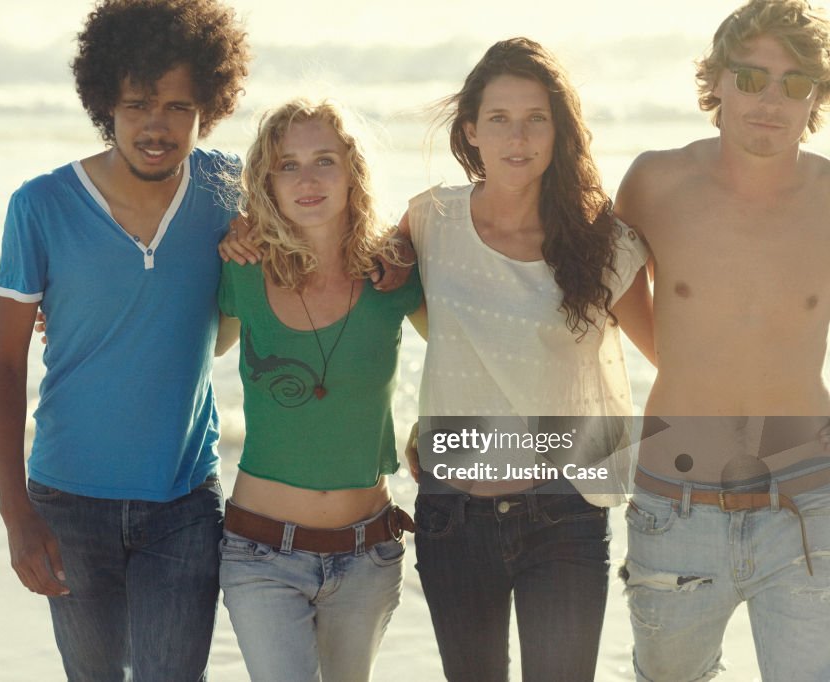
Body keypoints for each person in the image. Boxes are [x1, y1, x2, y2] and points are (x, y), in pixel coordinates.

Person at [0, 0, 249, 679]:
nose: (156, 127)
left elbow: (329, 220)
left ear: (207, 109)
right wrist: (16, 513)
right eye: (136, 106)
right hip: (68, 503)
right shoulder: (39, 206)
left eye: (178, 108)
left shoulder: (230, 191)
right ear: (106, 103)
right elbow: (5, 363)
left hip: (184, 502)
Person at [398, 38, 653, 681]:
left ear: (559, 129)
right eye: (500, 119)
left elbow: (675, 356)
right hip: (453, 513)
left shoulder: (605, 244)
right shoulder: (430, 221)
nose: (519, 137)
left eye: (537, 117)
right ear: (470, 132)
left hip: (565, 511)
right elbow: (367, 311)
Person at [614, 1, 830, 679]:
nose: (771, 99)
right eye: (751, 77)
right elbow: (609, 291)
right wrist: (686, 366)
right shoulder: (654, 182)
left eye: (795, 84)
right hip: (674, 503)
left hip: (806, 500)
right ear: (717, 79)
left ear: (815, 98)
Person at [216, 98, 425, 682]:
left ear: (353, 172)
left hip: (368, 554)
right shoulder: (241, 267)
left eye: (324, 161)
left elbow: (470, 351)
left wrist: (431, 424)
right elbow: (184, 345)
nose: (307, 180)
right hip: (259, 552)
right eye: (288, 165)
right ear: (268, 182)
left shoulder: (395, 274)